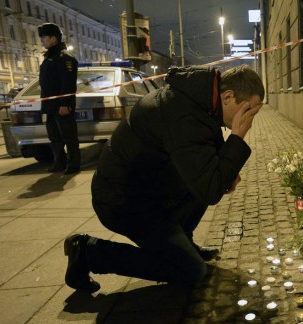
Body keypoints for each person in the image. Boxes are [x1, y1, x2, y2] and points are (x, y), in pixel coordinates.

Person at [63, 65, 264, 292]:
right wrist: (237, 137)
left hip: (153, 189)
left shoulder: (201, 103)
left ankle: (183, 242)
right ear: (228, 96)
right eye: (247, 112)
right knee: (191, 270)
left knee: (204, 179)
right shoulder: (183, 114)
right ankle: (89, 252)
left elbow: (213, 170)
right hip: (125, 202)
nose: (248, 121)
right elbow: (210, 189)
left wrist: (226, 171)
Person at [37, 23, 80, 174]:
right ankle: (59, 163)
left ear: (54, 39)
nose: (42, 41)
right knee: (54, 137)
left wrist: (65, 104)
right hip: (50, 105)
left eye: (44, 38)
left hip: (61, 105)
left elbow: (67, 84)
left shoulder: (65, 58)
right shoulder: (49, 57)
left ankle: (73, 164)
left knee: (68, 136)